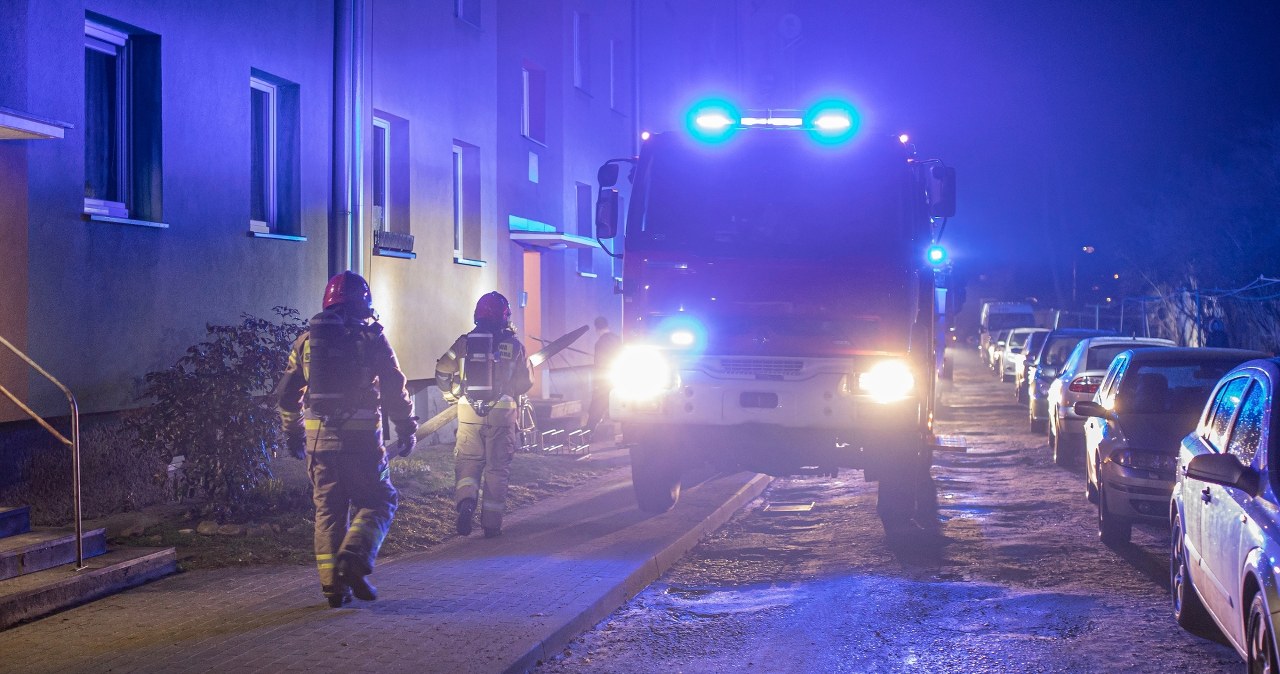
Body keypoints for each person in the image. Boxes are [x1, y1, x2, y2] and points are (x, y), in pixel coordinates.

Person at [276, 270, 417, 608]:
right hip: (363, 444)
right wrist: (406, 427)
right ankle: (353, 559)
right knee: (380, 499)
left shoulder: (307, 341)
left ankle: (333, 588)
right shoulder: (372, 338)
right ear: (364, 302)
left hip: (319, 444)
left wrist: (293, 431)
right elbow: (395, 389)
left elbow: (285, 395)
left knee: (328, 510)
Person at [435, 291, 533, 538]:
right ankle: (491, 525)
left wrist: (452, 397)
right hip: (502, 415)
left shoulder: (465, 342)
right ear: (504, 316)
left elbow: (442, 369)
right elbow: (526, 382)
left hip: (468, 412)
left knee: (468, 463)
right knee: (497, 469)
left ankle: (466, 504)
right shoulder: (513, 345)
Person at [584, 316, 621, 436]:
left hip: (604, 379)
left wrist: (596, 382)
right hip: (618, 377)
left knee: (597, 405)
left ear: (596, 328)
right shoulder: (617, 339)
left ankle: (588, 432)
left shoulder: (600, 343)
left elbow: (598, 364)